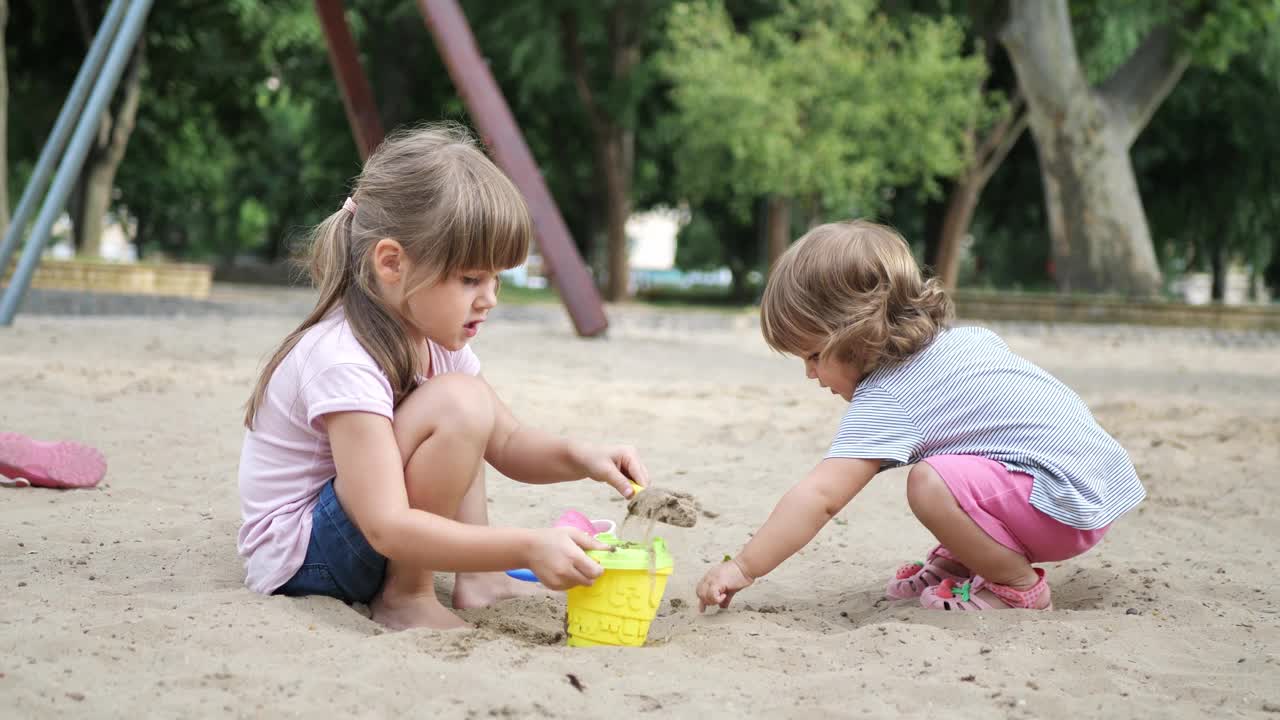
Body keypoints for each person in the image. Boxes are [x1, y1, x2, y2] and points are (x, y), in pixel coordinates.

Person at [237, 125, 648, 630]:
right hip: (307, 559)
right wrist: (526, 544)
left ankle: (479, 580)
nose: (490, 297)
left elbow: (509, 441)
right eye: (470, 279)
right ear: (392, 263)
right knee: (458, 404)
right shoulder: (343, 358)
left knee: (465, 403)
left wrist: (581, 457)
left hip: (362, 531)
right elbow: (386, 526)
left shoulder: (435, 336)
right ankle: (407, 596)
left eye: (497, 278)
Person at [696, 220, 1144, 612]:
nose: (810, 373)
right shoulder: (965, 341)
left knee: (930, 483)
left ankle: (1016, 586)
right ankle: (962, 559)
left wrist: (743, 567)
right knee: (958, 465)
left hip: (1063, 506)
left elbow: (820, 497)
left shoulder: (889, 394)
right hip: (1093, 483)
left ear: (856, 332)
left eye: (814, 355)